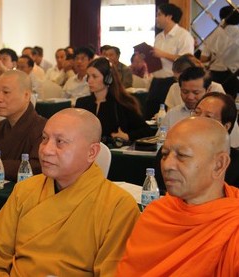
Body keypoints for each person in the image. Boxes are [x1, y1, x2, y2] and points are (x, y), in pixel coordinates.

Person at [0, 108, 140, 276]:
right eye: (44, 139)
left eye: (60, 142)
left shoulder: (119, 207)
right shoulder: (25, 190)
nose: (45, 150)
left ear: (92, 152)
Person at [117, 117, 239, 276]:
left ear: (219, 164)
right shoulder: (157, 213)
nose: (167, 165)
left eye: (182, 155)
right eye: (165, 154)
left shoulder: (232, 226)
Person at [75, 58, 154, 145]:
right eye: (88, 76)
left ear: (108, 79)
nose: (89, 81)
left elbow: (146, 131)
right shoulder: (82, 103)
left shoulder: (123, 103)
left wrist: (127, 136)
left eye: (94, 76)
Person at [145, 3, 194, 119]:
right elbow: (156, 56)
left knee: (167, 115)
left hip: (172, 81)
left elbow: (187, 60)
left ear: (169, 16)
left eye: (159, 14)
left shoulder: (183, 36)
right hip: (156, 80)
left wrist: (163, 54)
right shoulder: (159, 36)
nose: (157, 18)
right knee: (149, 114)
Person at [192, 92, 239, 187]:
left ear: (226, 126)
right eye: (197, 112)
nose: (198, 119)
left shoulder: (236, 164)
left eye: (208, 116)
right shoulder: (173, 153)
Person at [200, 5, 239, 98]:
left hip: (215, 76)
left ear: (222, 18)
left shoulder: (215, 33)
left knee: (213, 101)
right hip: (233, 76)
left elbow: (203, 58)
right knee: (230, 105)